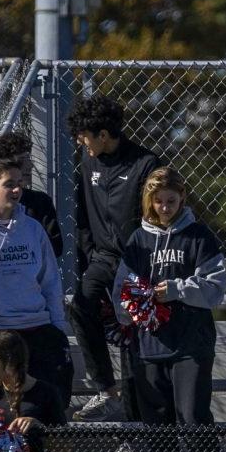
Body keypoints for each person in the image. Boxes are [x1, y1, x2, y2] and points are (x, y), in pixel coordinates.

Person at [112, 167, 226, 452]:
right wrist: (133, 307)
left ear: (182, 199)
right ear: (150, 201)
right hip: (149, 346)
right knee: (157, 423)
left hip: (191, 345)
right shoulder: (138, 239)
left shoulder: (199, 236)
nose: (165, 207)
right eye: (159, 201)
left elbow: (215, 288)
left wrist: (176, 289)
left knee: (192, 417)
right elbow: (121, 290)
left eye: (171, 200)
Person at [67, 95, 161, 422]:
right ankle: (106, 390)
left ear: (104, 135)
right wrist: (90, 253)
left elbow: (157, 219)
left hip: (138, 261)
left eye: (85, 135)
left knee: (131, 340)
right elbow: (82, 214)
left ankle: (133, 427)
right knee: (82, 303)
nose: (81, 142)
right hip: (103, 258)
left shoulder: (145, 164)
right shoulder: (89, 158)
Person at [0, 158, 73, 408]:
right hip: (0, 334)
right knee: (1, 414)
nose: (17, 190)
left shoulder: (33, 229)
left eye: (20, 183)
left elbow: (50, 281)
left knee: (50, 409)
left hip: (40, 329)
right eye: (9, 184)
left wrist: (58, 329)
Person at [0, 132, 63, 257]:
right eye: (23, 160)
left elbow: (55, 248)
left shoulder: (40, 202)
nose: (31, 165)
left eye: (29, 159)